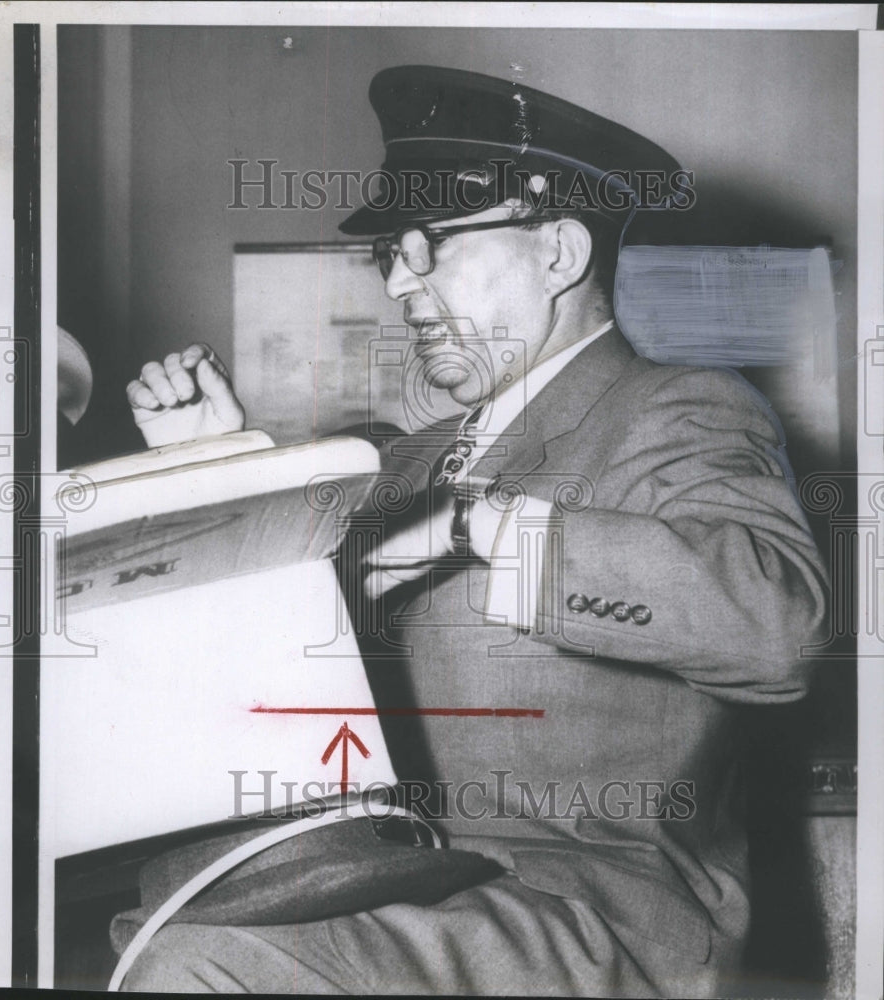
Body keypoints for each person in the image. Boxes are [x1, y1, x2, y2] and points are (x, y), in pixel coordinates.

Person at [121, 66, 828, 996]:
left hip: (594, 912)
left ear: (560, 253)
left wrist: (487, 524)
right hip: (395, 882)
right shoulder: (397, 464)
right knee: (144, 937)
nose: (401, 285)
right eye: (389, 257)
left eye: (433, 246)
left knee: (199, 963)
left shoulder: (678, 409)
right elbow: (276, 693)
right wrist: (216, 481)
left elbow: (780, 633)